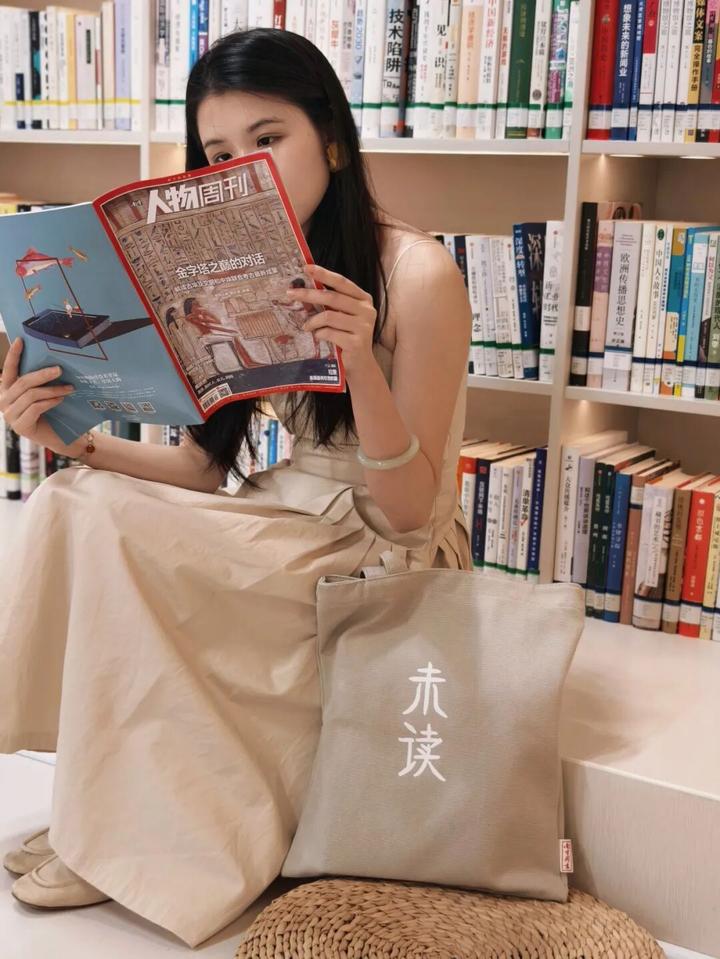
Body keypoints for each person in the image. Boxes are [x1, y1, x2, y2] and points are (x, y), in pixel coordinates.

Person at [0, 27, 472, 949]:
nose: (243, 170)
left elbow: (413, 510)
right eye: (219, 155)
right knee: (71, 500)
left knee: (120, 538)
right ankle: (104, 811)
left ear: (331, 138)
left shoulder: (419, 274)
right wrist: (70, 439)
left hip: (381, 546)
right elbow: (200, 468)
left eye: (268, 139)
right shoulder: (234, 270)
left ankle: (116, 837)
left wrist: (358, 364)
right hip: (280, 512)